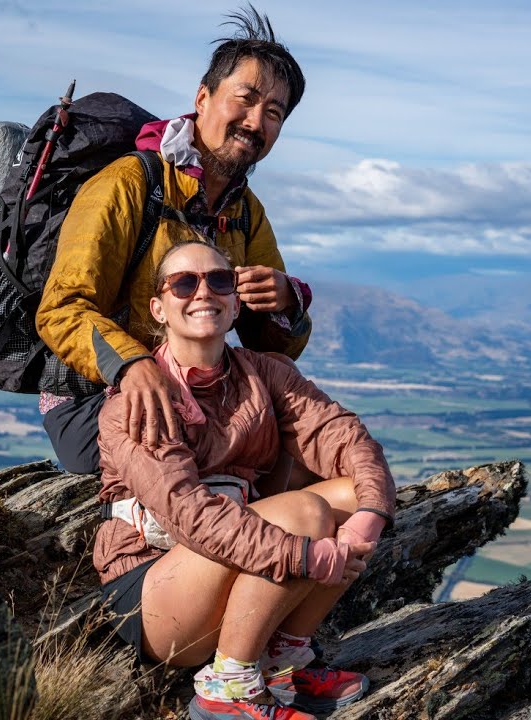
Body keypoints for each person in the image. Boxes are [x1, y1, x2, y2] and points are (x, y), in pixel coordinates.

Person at [95, 241, 396, 719]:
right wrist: (301, 555)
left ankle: (281, 662)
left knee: (353, 494)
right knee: (305, 514)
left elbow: (344, 435)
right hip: (154, 592)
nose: (203, 293)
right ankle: (227, 689)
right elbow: (190, 515)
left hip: (232, 562)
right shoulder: (137, 401)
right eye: (184, 283)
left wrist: (370, 515)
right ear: (158, 308)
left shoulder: (265, 373)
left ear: (236, 304)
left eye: (219, 280)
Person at [36, 6, 312, 474]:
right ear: (203, 98)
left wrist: (287, 302)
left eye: (273, 113)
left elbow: (273, 350)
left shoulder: (245, 211)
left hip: (192, 384)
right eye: (244, 99)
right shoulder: (129, 183)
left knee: (292, 408)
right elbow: (62, 308)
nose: (255, 122)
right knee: (216, 452)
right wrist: (131, 364)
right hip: (90, 392)